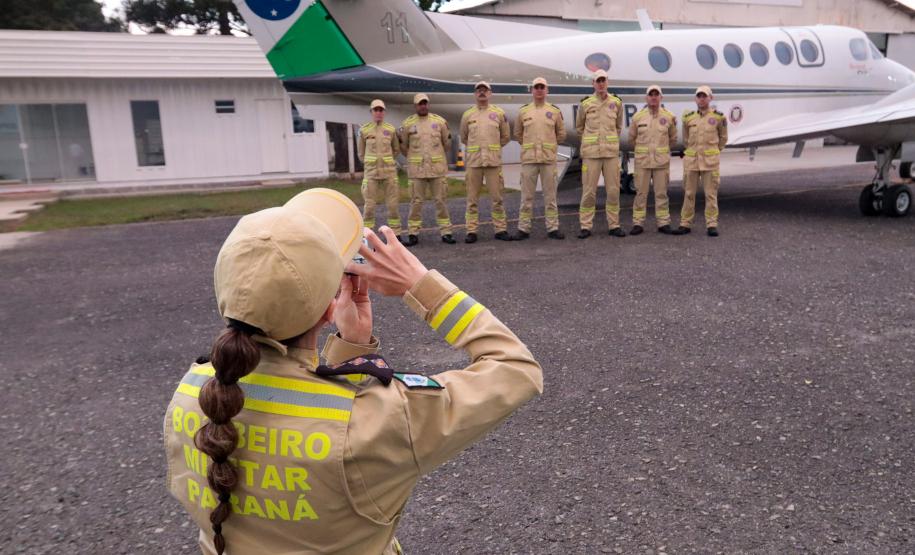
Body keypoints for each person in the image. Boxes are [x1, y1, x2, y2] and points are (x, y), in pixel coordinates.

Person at [163, 188, 543, 554]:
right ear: (329, 310)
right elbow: (516, 367)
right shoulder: (386, 419)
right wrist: (420, 286)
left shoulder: (194, 391)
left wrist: (352, 349)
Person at [513, 77, 567, 240]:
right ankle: (523, 229)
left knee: (550, 197)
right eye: (536, 87)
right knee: (526, 197)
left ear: (546, 90)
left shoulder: (555, 111)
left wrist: (549, 146)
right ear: (532, 90)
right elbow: (518, 134)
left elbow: (561, 134)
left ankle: (552, 228)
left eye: (542, 87)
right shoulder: (523, 111)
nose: (539, 90)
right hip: (529, 160)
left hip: (548, 160)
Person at [399, 93, 456, 246]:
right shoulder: (407, 124)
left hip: (437, 169)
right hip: (417, 171)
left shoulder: (439, 122)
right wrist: (415, 157)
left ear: (428, 104)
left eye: (425, 103)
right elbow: (403, 147)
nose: (423, 106)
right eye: (420, 104)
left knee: (441, 201)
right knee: (416, 202)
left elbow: (447, 144)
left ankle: (446, 232)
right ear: (415, 106)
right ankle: (413, 233)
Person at [460, 81, 512, 243]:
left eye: (485, 90)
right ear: (475, 94)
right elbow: (464, 137)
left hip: (493, 163)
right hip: (474, 163)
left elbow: (505, 137)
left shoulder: (499, 114)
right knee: (472, 200)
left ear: (490, 93)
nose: (482, 93)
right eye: (479, 90)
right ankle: (471, 231)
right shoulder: (467, 115)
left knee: (497, 198)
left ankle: (500, 229)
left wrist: (493, 149)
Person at [575, 69, 625, 239]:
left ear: (607, 82)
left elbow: (618, 127)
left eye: (603, 80)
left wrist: (610, 141)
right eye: (598, 81)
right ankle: (586, 226)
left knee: (613, 191)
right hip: (592, 154)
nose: (601, 83)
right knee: (589, 192)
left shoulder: (616, 103)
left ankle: (614, 225)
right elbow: (580, 127)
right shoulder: (586, 104)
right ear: (593, 84)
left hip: (610, 153)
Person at [675, 85, 728, 237]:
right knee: (689, 193)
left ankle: (711, 224)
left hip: (710, 162)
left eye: (705, 96)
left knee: (710, 194)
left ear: (711, 98)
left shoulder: (719, 117)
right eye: (699, 96)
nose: (702, 98)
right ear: (695, 99)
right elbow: (685, 139)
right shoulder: (689, 117)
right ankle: (685, 224)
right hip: (692, 162)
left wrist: (714, 152)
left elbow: (723, 139)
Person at [628, 85, 677, 235]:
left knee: (661, 194)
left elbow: (673, 139)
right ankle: (638, 223)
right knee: (640, 194)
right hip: (642, 162)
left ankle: (663, 223)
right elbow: (632, 139)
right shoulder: (638, 117)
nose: (654, 97)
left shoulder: (669, 117)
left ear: (661, 97)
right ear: (646, 98)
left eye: (657, 94)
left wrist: (661, 151)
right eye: (651, 94)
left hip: (661, 163)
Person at [358, 99, 405, 243]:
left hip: (389, 173)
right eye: (375, 110)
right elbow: (361, 153)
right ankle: (366, 235)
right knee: (369, 206)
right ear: (371, 112)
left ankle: (395, 234)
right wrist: (370, 164)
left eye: (381, 110)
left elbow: (396, 150)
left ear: (384, 112)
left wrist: (387, 161)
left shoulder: (390, 129)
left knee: (392, 206)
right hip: (371, 173)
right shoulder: (364, 130)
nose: (378, 113)